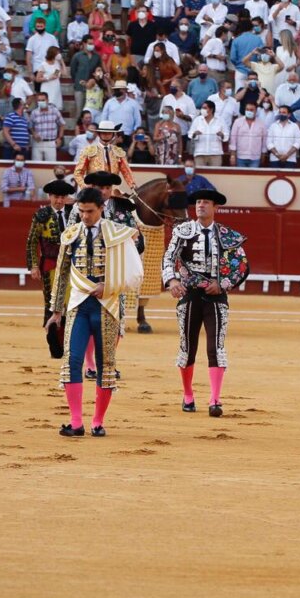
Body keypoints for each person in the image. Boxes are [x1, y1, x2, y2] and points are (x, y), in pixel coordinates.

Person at [45, 186, 143, 437]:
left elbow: (135, 276)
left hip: (107, 306)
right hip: (78, 306)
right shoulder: (71, 234)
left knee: (106, 365)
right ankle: (76, 422)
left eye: (90, 211)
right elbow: (62, 274)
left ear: (101, 208)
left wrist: (107, 285)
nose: (85, 216)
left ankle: (98, 422)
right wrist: (55, 312)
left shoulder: (120, 235)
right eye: (81, 211)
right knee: (72, 361)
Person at [163, 188, 248, 417]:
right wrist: (171, 281)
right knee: (187, 348)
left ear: (215, 207)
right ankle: (188, 395)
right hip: (190, 296)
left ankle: (215, 399)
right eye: (198, 202)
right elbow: (169, 257)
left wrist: (223, 284)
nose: (201, 205)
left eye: (206, 202)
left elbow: (241, 266)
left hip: (216, 298)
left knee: (216, 348)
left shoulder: (226, 234)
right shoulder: (183, 231)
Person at [26, 178, 75, 359]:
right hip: (50, 265)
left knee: (72, 304)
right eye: (56, 197)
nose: (59, 201)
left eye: (63, 197)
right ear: (49, 196)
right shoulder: (41, 215)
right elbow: (31, 242)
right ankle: (55, 346)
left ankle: (70, 345)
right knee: (52, 303)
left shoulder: (74, 213)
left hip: (71, 266)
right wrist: (32, 265)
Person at [71, 118, 134, 190]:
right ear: (99, 134)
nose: (106, 135)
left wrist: (133, 186)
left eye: (109, 133)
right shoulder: (89, 150)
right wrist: (85, 186)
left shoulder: (118, 152)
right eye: (103, 133)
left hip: (112, 191)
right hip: (94, 191)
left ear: (113, 134)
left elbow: (126, 172)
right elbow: (78, 172)